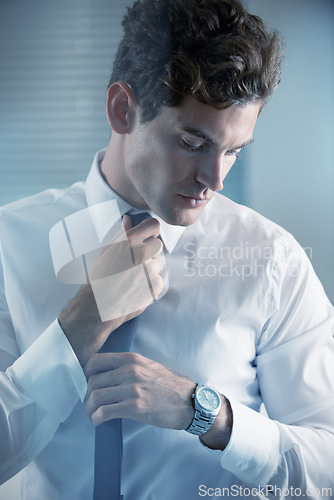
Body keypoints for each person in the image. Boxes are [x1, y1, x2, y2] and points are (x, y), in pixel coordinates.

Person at [0, 0, 333, 498]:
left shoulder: (273, 261)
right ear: (122, 109)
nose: (215, 180)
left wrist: (206, 413)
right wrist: (83, 324)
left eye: (234, 150)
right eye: (193, 143)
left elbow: (326, 465)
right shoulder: (8, 242)